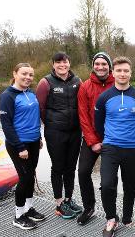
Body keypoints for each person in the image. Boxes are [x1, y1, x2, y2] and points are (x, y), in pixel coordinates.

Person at [94, 57, 135, 237]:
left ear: (130, 73)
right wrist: (111, 137)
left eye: (126, 70)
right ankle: (111, 218)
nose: (122, 74)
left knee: (129, 185)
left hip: (132, 149)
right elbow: (98, 123)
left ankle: (127, 217)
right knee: (107, 184)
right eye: (119, 71)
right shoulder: (104, 97)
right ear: (113, 73)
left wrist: (132, 136)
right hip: (110, 147)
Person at [36, 52, 83, 219]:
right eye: (58, 62)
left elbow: (83, 105)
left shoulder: (77, 81)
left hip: (75, 132)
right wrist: (50, 123)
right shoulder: (45, 82)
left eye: (65, 62)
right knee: (58, 167)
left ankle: (69, 199)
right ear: (53, 65)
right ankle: (59, 203)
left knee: (70, 168)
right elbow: (39, 108)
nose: (62, 65)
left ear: (69, 63)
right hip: (55, 132)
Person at [0, 63, 46, 230]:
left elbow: (34, 119)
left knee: (30, 176)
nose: (27, 77)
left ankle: (28, 208)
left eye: (31, 75)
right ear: (15, 74)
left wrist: (39, 137)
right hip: (18, 144)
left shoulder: (31, 93)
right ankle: (18, 216)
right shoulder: (8, 96)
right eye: (24, 74)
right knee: (24, 178)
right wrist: (20, 147)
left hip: (33, 142)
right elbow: (6, 126)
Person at [77, 52, 114, 225]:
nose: (100, 67)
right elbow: (83, 115)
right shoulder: (85, 87)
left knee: (109, 179)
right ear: (93, 65)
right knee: (83, 172)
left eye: (104, 64)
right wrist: (92, 141)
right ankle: (89, 207)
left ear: (109, 66)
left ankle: (111, 214)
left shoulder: (117, 85)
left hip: (112, 139)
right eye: (97, 63)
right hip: (91, 138)